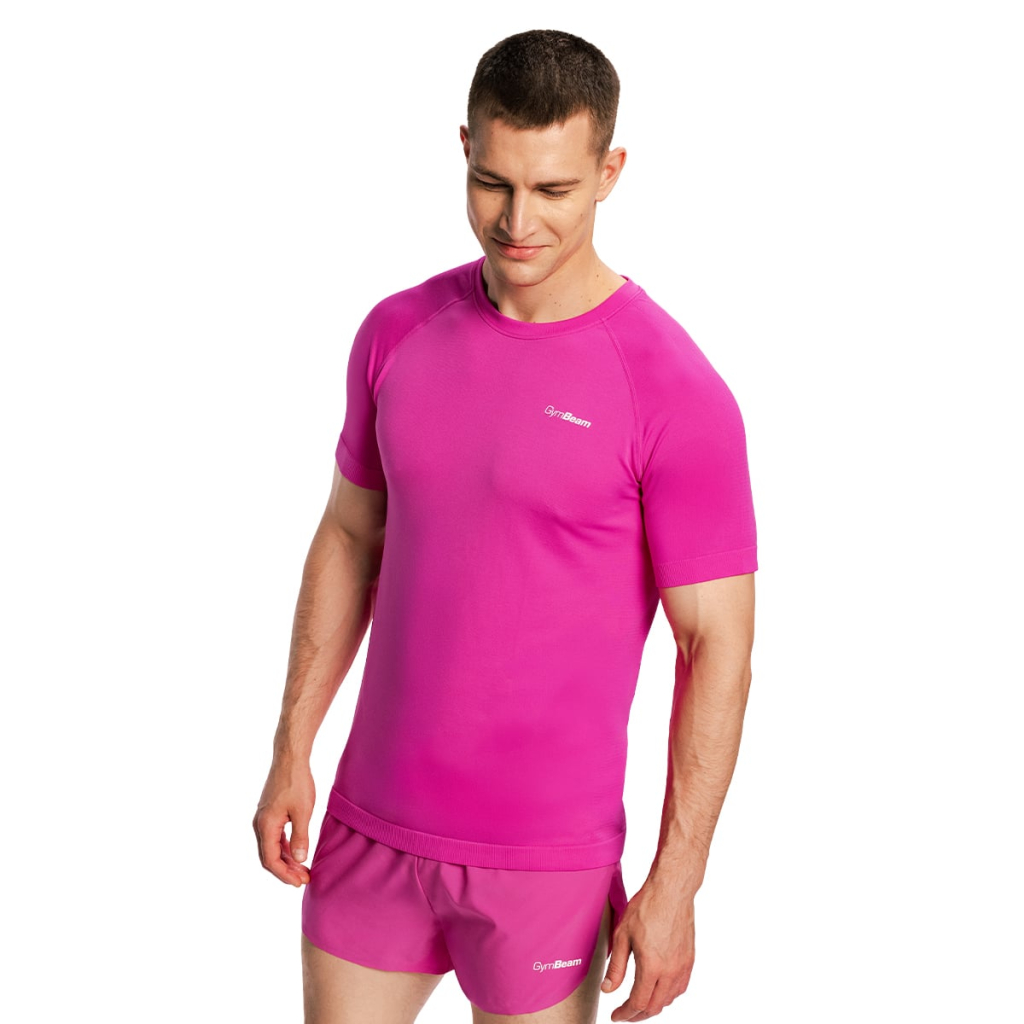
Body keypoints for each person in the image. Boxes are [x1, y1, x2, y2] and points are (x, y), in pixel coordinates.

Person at [253, 28, 757, 1024]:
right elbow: (351, 536)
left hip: (544, 864)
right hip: (368, 829)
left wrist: (677, 882)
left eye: (553, 190)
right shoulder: (396, 332)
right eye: (492, 183)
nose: (517, 221)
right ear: (464, 149)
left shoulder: (672, 389)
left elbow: (718, 647)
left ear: (610, 171)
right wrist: (291, 745)